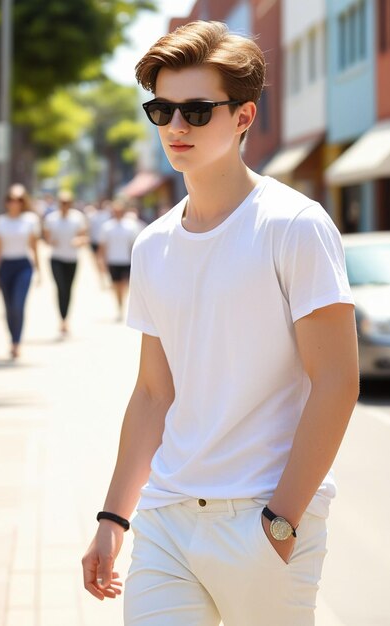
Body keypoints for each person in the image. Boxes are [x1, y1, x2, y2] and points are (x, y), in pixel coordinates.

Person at [82, 21, 359, 626]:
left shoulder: (294, 226)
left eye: (197, 111)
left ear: (243, 116)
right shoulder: (153, 245)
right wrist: (113, 518)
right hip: (167, 521)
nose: (176, 127)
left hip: (263, 519)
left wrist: (282, 522)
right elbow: (154, 393)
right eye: (163, 110)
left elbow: (337, 382)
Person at [0, 184, 40, 359]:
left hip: (23, 266)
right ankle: (12, 338)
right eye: (11, 199)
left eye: (19, 200)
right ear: (6, 202)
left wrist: (39, 270)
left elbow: (34, 246)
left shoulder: (30, 220)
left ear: (23, 202)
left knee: (18, 305)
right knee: (9, 307)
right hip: (6, 266)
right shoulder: (0, 222)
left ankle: (16, 343)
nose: (15, 203)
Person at [43, 190, 87, 336]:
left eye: (67, 203)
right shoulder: (51, 219)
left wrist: (78, 241)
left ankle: (66, 318)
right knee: (60, 287)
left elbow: (83, 237)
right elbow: (46, 238)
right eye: (62, 203)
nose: (65, 205)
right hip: (56, 258)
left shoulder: (77, 217)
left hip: (72, 259)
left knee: (68, 289)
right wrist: (51, 241)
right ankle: (62, 319)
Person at [97, 199, 144, 321]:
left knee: (124, 285)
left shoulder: (131, 225)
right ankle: (119, 305)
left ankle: (123, 303)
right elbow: (103, 246)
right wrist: (101, 261)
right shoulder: (107, 226)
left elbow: (136, 244)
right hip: (113, 260)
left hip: (127, 261)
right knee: (116, 285)